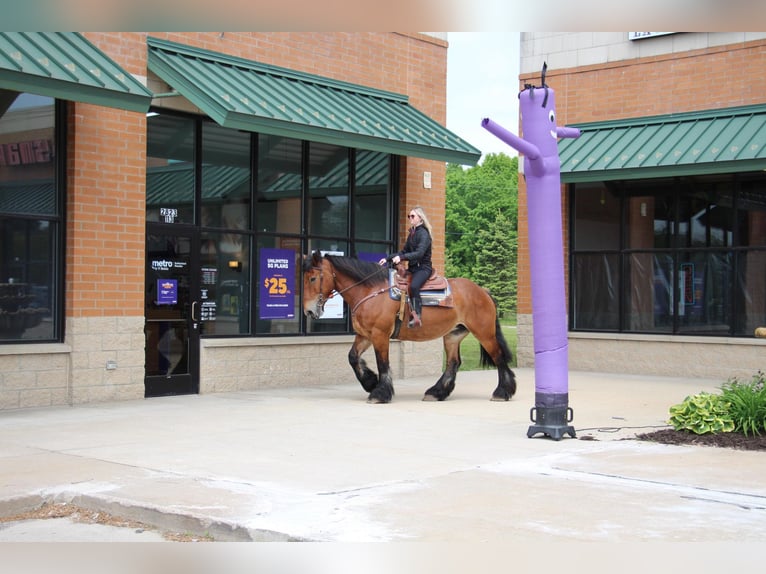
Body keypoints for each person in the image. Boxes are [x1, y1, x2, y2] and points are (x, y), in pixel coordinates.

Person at [379, 206, 433, 328]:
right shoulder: (412, 234)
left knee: (414, 286)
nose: (410, 218)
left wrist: (402, 258)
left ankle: (417, 316)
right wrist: (387, 258)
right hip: (413, 269)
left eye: (412, 216)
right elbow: (403, 251)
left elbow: (419, 253)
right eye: (409, 216)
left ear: (420, 218)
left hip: (423, 269)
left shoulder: (424, 234)